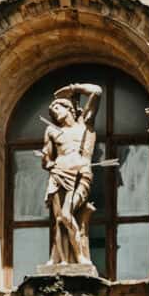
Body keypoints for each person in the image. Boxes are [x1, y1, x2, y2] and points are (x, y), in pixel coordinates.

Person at [40, 83, 101, 267]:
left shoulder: (85, 125)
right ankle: (60, 259)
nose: (54, 113)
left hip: (81, 173)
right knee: (59, 219)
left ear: (69, 108)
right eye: (51, 112)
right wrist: (47, 161)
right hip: (59, 174)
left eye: (57, 108)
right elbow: (47, 158)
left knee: (66, 215)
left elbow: (97, 92)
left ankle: (78, 256)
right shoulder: (52, 131)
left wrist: (74, 89)